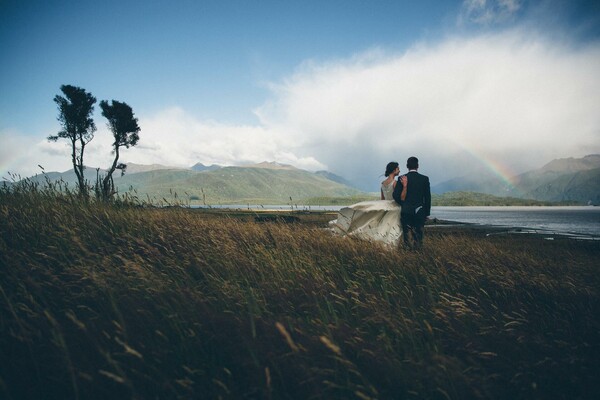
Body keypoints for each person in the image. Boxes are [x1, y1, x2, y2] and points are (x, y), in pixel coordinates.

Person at [329, 161, 406, 246]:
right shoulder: (395, 183)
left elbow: (382, 199)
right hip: (394, 207)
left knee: (384, 226)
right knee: (392, 228)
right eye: (398, 168)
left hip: (385, 206)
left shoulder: (383, 183)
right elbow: (396, 197)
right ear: (394, 170)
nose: (399, 170)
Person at [393, 156, 431, 249]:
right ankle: (418, 255)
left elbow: (395, 196)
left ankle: (408, 255)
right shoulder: (424, 179)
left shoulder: (402, 178)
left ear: (407, 166)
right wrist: (427, 213)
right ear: (417, 166)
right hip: (420, 212)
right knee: (419, 236)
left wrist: (403, 204)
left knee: (407, 237)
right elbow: (427, 197)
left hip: (406, 211)